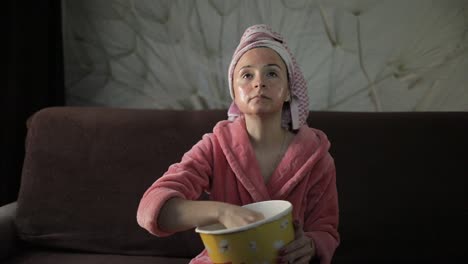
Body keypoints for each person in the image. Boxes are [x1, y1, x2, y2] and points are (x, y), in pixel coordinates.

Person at [137, 24, 339, 264]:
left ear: (288, 91)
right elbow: (151, 208)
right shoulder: (215, 147)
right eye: (247, 75)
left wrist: (311, 244)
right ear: (234, 90)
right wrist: (223, 212)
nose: (259, 83)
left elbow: (326, 229)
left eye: (272, 73)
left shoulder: (316, 157)